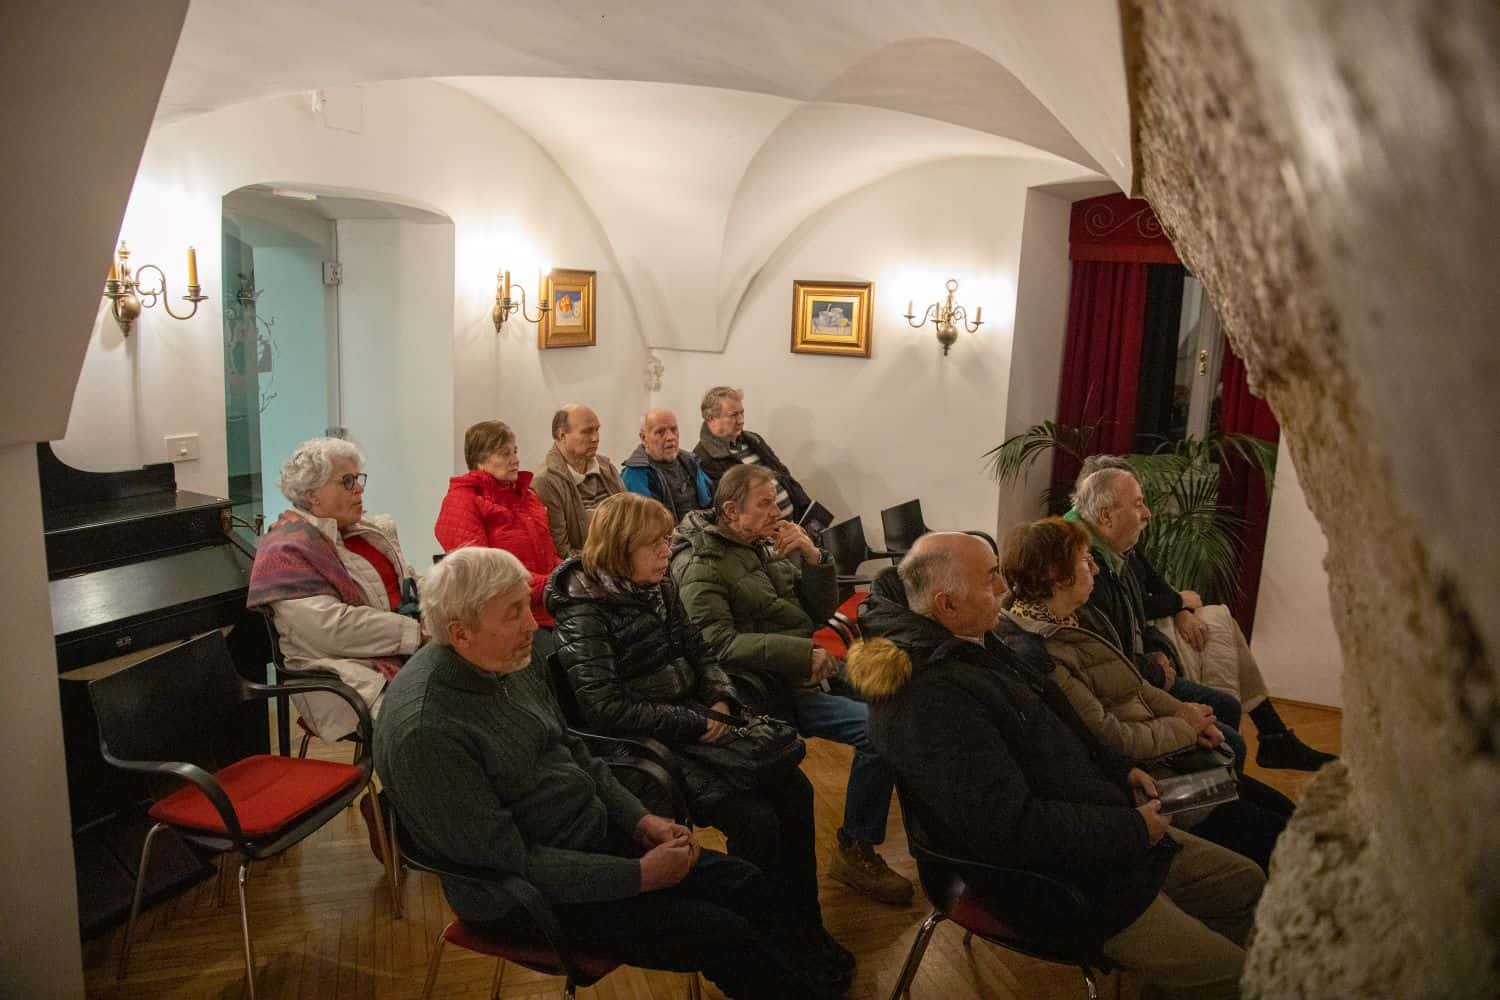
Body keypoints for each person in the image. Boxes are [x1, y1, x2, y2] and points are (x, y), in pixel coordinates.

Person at [373, 547, 849, 1000]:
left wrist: (642, 821)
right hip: (526, 898)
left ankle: (808, 979)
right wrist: (639, 876)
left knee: (748, 885)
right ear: (460, 632)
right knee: (724, 933)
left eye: (526, 606)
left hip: (590, 839)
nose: (532, 625)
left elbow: (574, 749)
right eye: (514, 613)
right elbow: (508, 862)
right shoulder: (427, 729)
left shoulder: (504, 661)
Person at [847, 532, 1265, 999]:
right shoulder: (931, 699)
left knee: (1246, 881)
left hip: (1099, 830)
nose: (1004, 590)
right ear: (947, 605)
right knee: (1245, 978)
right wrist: (1131, 829)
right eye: (991, 580)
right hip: (1055, 883)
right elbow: (1011, 828)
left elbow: (1060, 724)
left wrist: (1118, 771)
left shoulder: (973, 645)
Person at [547, 492, 851, 975]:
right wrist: (694, 721)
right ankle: (768, 945)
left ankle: (804, 927)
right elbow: (603, 708)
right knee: (757, 821)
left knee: (796, 789)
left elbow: (702, 652)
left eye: (668, 540)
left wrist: (720, 696)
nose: (668, 552)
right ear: (622, 547)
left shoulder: (658, 584)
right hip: (652, 747)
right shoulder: (584, 608)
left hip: (695, 722)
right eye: (657, 544)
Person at [672, 464, 913, 905]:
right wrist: (800, 656)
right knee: (879, 733)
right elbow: (715, 645)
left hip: (807, 667)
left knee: (903, 696)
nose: (776, 512)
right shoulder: (701, 562)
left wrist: (813, 557)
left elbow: (815, 613)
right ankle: (855, 848)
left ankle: (926, 825)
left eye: (776, 501)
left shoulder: (758, 543)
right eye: (765, 503)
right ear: (730, 510)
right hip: (772, 687)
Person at [997, 517, 1291, 872]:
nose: (1095, 569)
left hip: (1161, 757)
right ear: (1056, 576)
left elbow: (1135, 685)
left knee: (1286, 811)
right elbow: (1111, 737)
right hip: (1145, 786)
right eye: (1085, 561)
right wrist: (1186, 729)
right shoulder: (1040, 652)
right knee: (1281, 836)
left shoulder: (1080, 616)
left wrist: (1185, 713)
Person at [1072, 455, 1335, 771]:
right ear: (1104, 512)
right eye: (1137, 502)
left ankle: (1264, 743)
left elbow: (1157, 597)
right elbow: (1118, 650)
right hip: (1139, 669)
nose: (1147, 513)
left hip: (1147, 645)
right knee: (1217, 631)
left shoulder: (1117, 548)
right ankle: (1262, 743)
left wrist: (1179, 609)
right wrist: (1172, 621)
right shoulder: (1085, 560)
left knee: (1217, 620)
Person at [248, 436, 420, 741]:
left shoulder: (364, 531)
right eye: (347, 481)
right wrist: (415, 633)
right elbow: (332, 628)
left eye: (358, 478)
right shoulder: (286, 550)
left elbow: (410, 582)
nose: (359, 488)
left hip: (398, 653)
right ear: (313, 496)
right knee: (444, 719)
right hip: (345, 677)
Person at [434, 420, 561, 659]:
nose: (515, 459)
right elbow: (484, 575)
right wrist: (555, 585)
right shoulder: (462, 501)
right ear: (480, 460)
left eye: (515, 451)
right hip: (509, 616)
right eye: (505, 453)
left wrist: (570, 572)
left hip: (548, 606)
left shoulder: (526, 496)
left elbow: (547, 555)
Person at [693, 386, 812, 522]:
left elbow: (785, 477)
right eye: (734, 415)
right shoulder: (702, 459)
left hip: (795, 524)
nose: (741, 420)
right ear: (712, 418)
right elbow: (725, 513)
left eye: (742, 413)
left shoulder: (754, 439)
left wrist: (808, 512)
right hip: (763, 537)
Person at [533, 403, 626, 559]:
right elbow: (561, 551)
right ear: (562, 435)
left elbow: (630, 518)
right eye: (587, 432)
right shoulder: (545, 481)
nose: (595, 438)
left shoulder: (606, 467)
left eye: (597, 430)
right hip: (585, 568)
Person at [621, 408, 712, 523]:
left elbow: (709, 501)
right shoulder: (635, 475)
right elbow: (647, 526)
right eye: (660, 432)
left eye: (674, 430)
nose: (670, 437)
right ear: (644, 438)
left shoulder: (690, 461)